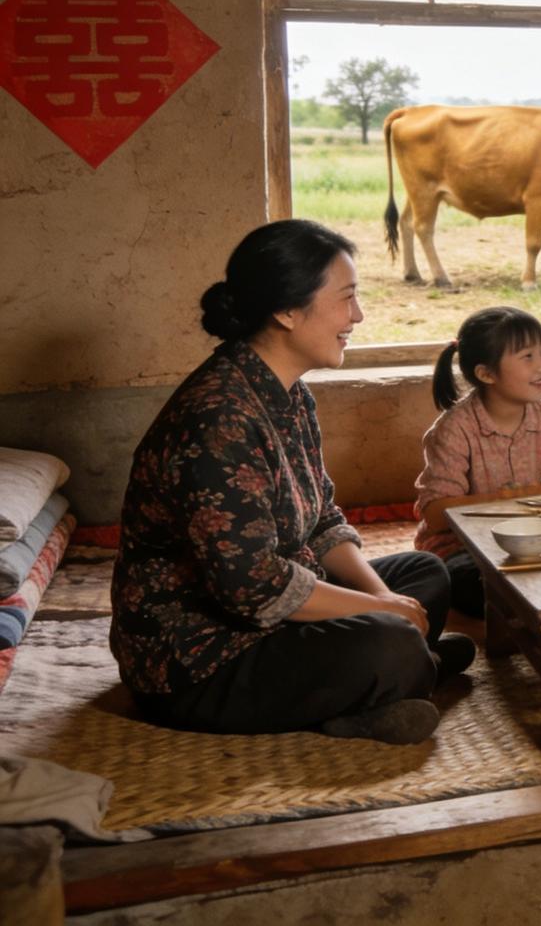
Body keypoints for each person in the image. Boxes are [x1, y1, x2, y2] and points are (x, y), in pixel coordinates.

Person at [110, 220, 474, 746]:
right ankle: (389, 681)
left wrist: (385, 596)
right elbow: (250, 588)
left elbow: (322, 518)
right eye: (346, 298)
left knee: (423, 573)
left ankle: (399, 674)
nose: (358, 315)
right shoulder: (217, 418)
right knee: (390, 641)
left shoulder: (287, 392)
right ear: (285, 310)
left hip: (276, 618)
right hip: (202, 657)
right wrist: (382, 613)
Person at [413, 306, 541, 614]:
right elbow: (436, 514)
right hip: (467, 547)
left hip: (540, 537)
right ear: (486, 373)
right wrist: (513, 497)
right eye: (527, 357)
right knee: (474, 583)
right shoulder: (455, 428)